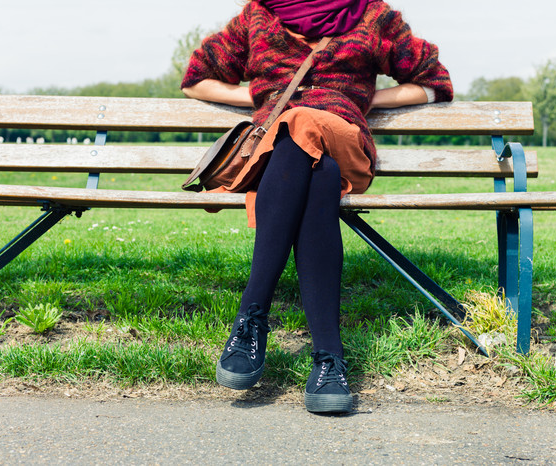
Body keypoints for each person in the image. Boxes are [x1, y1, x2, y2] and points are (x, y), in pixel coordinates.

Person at [181, 0, 453, 414]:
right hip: (281, 161)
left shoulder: (373, 16)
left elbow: (435, 82)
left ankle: (252, 316)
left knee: (301, 122)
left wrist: (366, 98)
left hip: (344, 140)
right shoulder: (258, 16)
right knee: (316, 172)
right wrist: (257, 95)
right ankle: (330, 359)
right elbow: (195, 79)